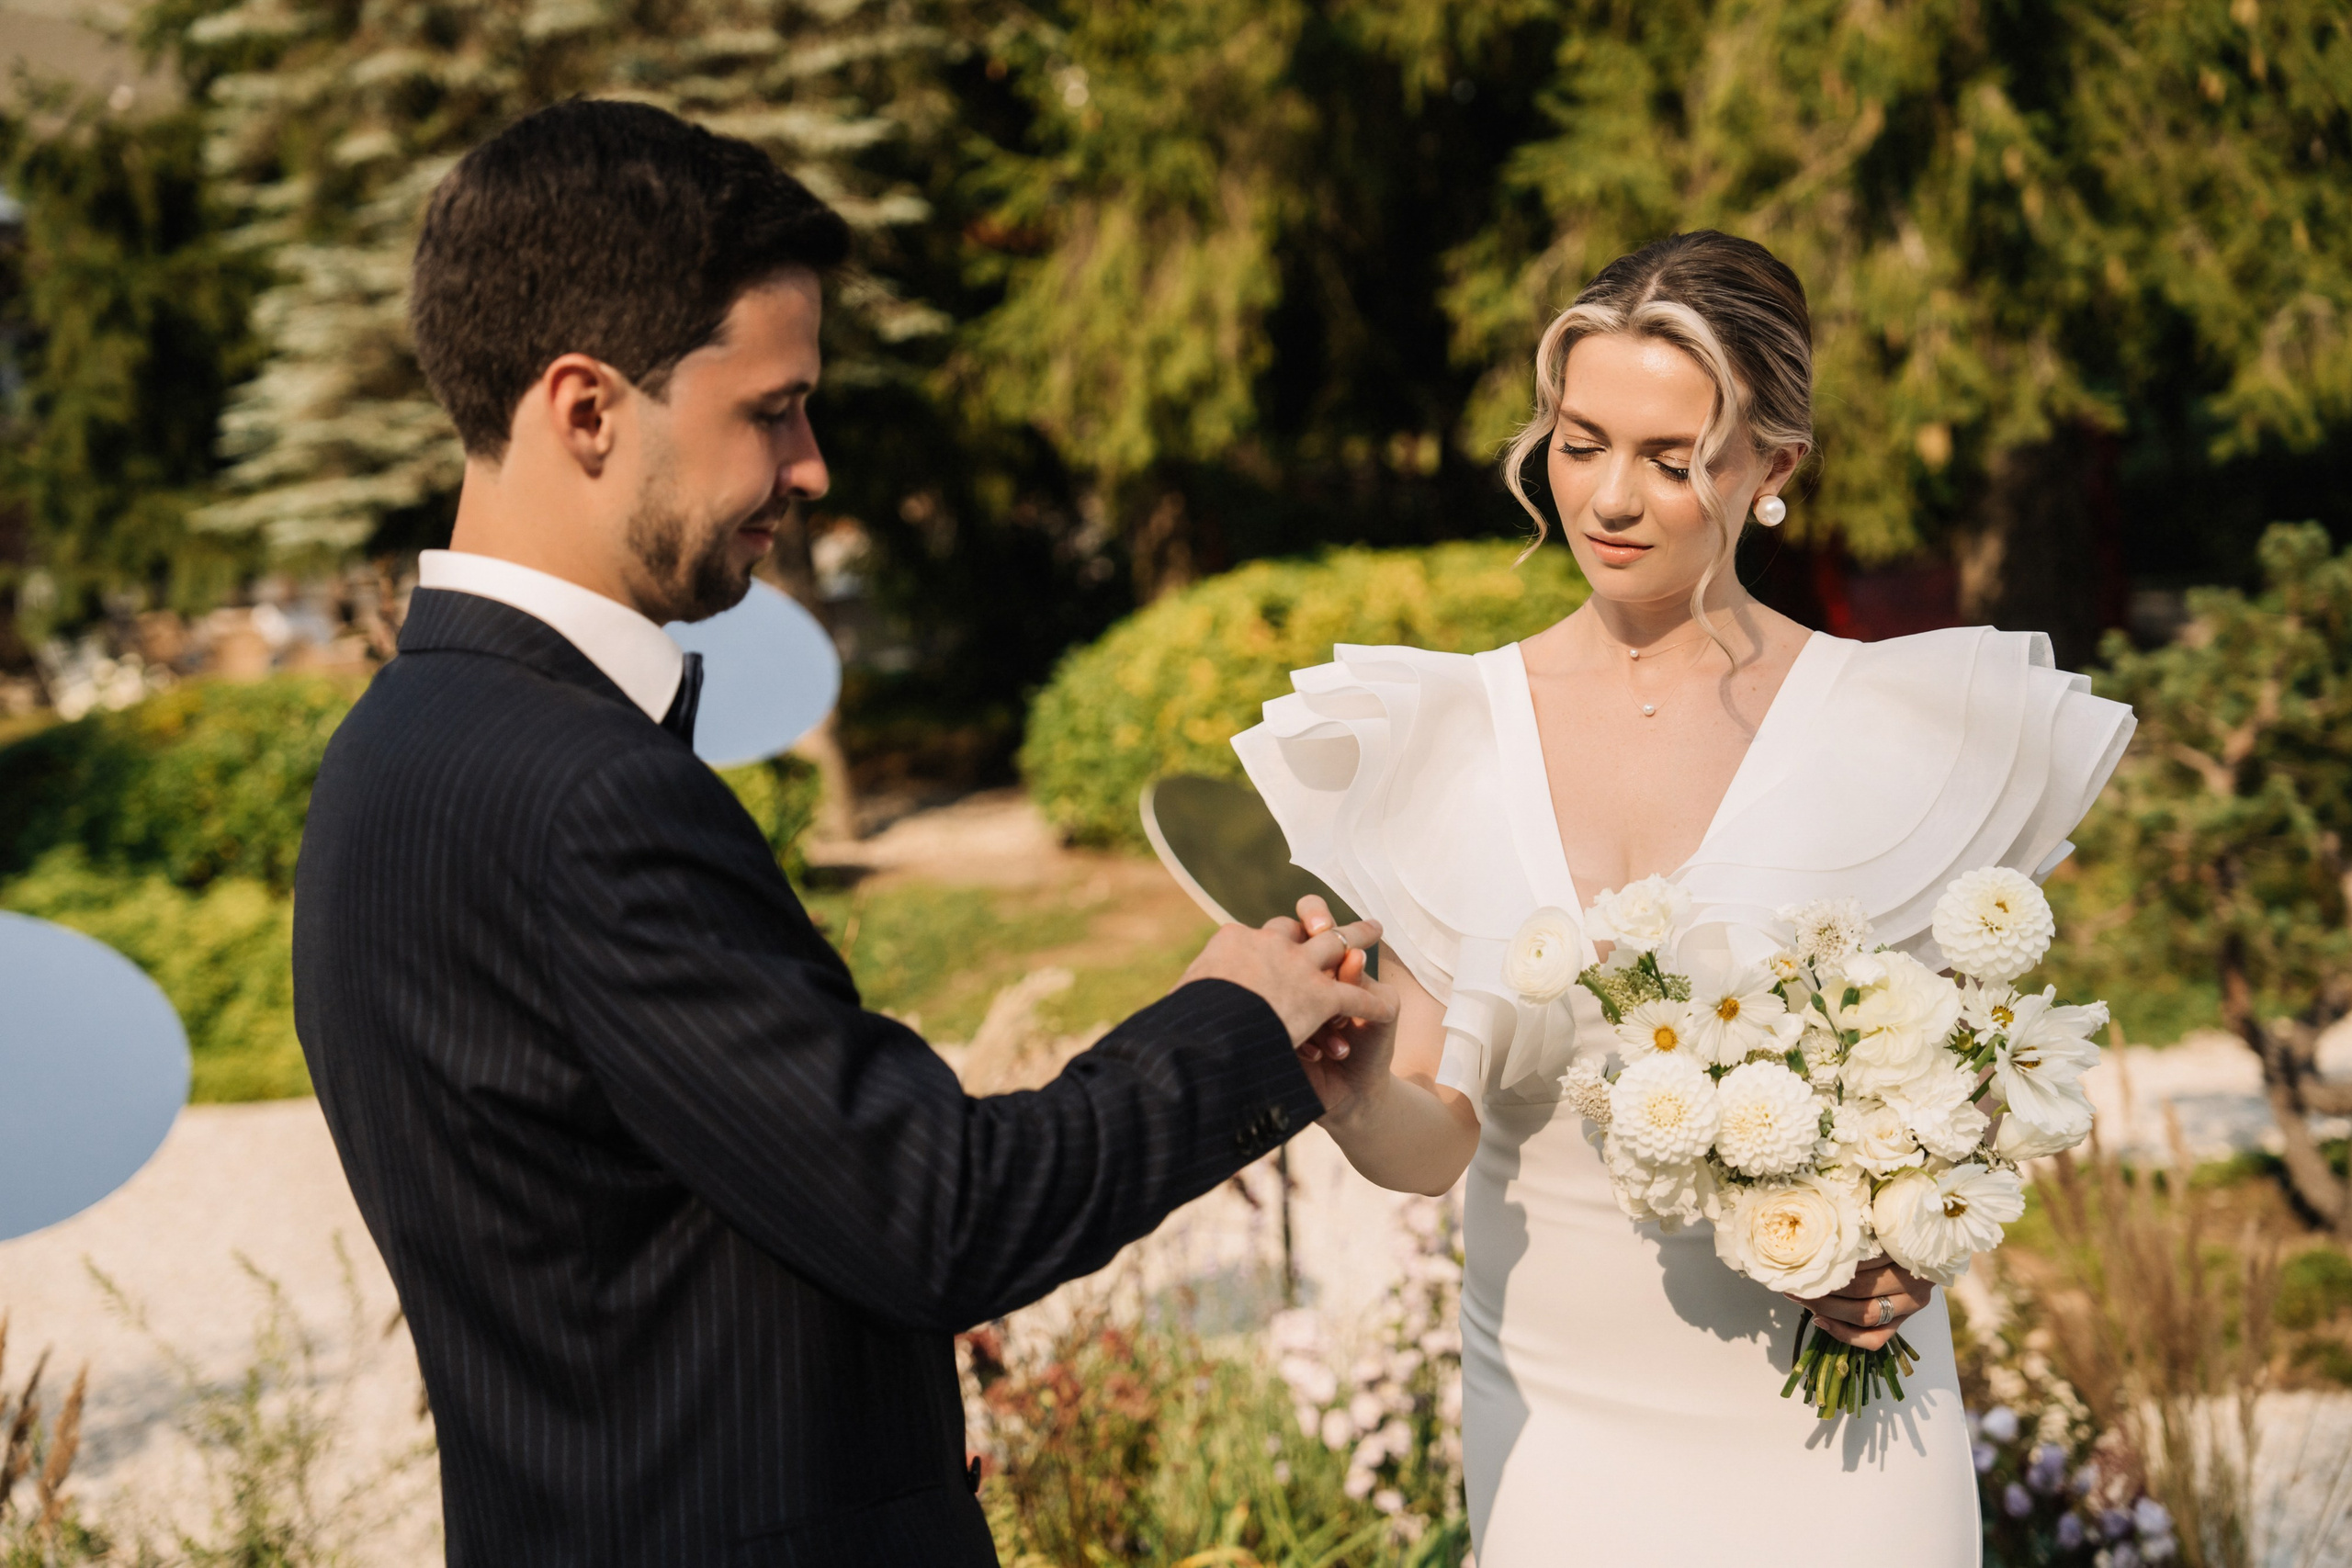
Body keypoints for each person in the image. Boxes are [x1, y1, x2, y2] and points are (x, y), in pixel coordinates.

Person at [290, 99, 1395, 1568]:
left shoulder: (393, 749)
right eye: (771, 409)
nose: (812, 470)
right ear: (585, 409)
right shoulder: (587, 797)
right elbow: (942, 1215)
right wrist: (1233, 1021)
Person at [1235, 231, 2135, 1564]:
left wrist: (1911, 1251)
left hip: (1841, 1441)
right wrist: (1356, 1091)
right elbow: (1434, 1141)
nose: (1607, 496)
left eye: (1670, 459)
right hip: (1560, 1431)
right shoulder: (1447, 733)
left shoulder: (1907, 734)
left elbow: (1959, 1100)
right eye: (1579, 438)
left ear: (1772, 469)